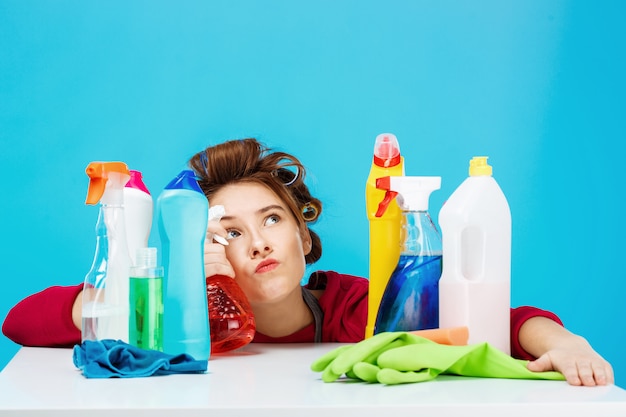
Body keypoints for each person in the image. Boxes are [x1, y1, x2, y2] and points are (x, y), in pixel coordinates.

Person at [2, 138, 614, 387]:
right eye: (230, 232)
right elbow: (22, 321)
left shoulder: (354, 306)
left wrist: (565, 340)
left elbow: (495, 322)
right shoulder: (181, 317)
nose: (259, 243)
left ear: (302, 233)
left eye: (272, 221)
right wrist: (119, 297)